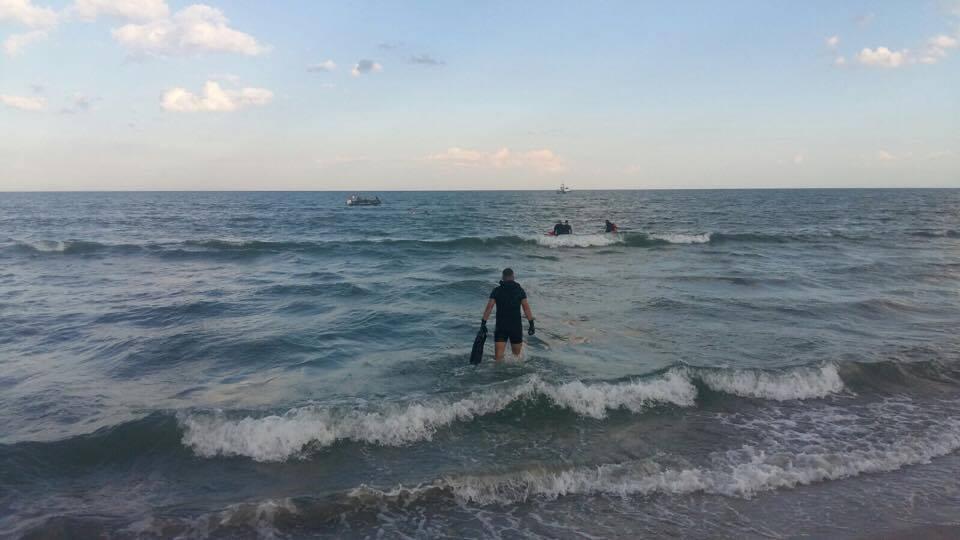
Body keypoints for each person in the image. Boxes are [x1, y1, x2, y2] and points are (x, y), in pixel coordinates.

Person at [481, 268, 535, 362]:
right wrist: (531, 324)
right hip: (516, 327)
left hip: (501, 326)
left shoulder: (497, 290)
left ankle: (497, 371)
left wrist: (483, 323)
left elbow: (489, 307)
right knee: (516, 358)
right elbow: (526, 308)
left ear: (503, 277)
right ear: (513, 276)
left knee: (498, 358)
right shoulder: (519, 290)